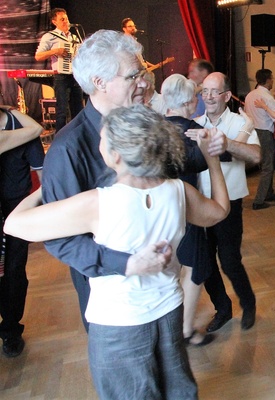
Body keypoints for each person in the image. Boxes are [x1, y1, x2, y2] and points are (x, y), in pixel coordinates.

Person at [5, 104, 230, 399]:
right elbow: (219, 211)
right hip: (169, 310)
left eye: (102, 139)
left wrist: (42, 189)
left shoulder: (99, 204)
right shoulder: (178, 190)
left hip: (120, 324)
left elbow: (13, 225)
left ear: (117, 156)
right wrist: (212, 160)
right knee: (177, 390)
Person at [40, 30, 180, 331]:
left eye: (142, 74)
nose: (144, 83)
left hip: (164, 290)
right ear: (100, 82)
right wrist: (127, 264)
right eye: (133, 76)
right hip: (113, 305)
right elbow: (60, 237)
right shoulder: (69, 148)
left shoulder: (146, 126)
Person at [161, 73, 230, 346]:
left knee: (169, 267)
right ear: (190, 102)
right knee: (197, 266)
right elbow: (211, 159)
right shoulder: (194, 133)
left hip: (156, 211)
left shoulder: (153, 129)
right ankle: (185, 330)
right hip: (186, 210)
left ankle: (172, 327)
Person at [189, 72, 260, 333]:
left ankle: (248, 303)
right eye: (204, 91)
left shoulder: (240, 123)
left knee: (229, 261)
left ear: (227, 96)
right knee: (204, 261)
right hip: (199, 204)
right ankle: (223, 308)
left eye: (214, 91)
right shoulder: (194, 124)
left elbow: (256, 156)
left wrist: (227, 143)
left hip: (229, 203)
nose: (208, 97)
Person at [0, 107, 44, 358]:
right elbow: (36, 128)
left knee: (14, 272)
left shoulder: (21, 129)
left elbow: (42, 174)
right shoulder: (24, 128)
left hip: (15, 211)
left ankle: (11, 330)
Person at [35, 8, 84, 133]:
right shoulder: (49, 36)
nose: (66, 21)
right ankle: (60, 138)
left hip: (75, 75)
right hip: (61, 76)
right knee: (62, 110)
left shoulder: (74, 37)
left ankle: (77, 136)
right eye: (62, 19)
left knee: (78, 109)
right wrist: (55, 51)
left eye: (66, 19)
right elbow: (38, 56)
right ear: (54, 22)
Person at [245, 69, 275, 210]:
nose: (272, 81)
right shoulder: (267, 97)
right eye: (271, 78)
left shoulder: (250, 95)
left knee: (264, 164)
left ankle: (268, 193)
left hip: (252, 132)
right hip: (264, 132)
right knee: (268, 166)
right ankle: (259, 200)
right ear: (267, 80)